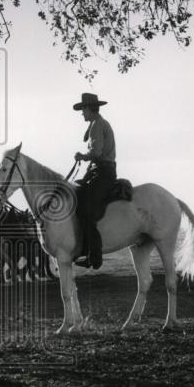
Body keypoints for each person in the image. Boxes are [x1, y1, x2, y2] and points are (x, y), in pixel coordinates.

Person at [71, 93, 116, 270]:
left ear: (90, 108)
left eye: (83, 109)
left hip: (103, 173)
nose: (82, 113)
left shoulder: (97, 125)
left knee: (86, 210)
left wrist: (82, 156)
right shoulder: (96, 124)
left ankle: (94, 257)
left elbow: (96, 153)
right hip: (99, 172)